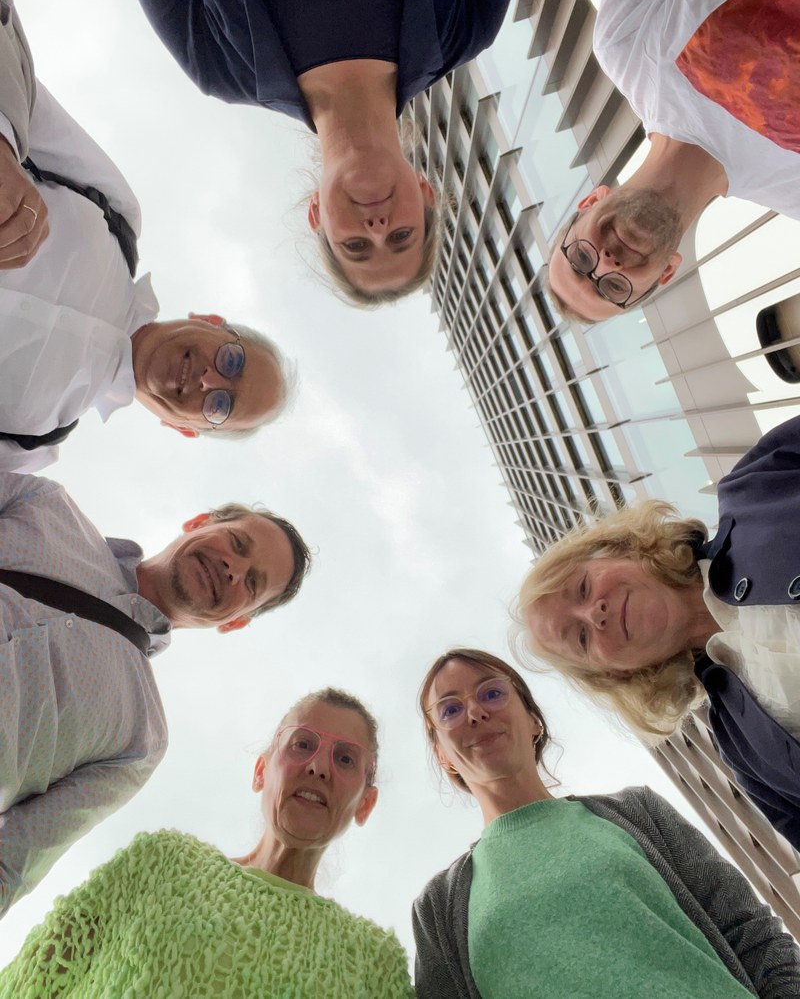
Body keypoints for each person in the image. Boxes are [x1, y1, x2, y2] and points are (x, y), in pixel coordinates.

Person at [111, 0, 525, 305]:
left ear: (316, 215)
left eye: (356, 246)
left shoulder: (217, 66)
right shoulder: (469, 25)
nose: (377, 228)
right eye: (401, 236)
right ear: (426, 194)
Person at [0, 0, 293, 473]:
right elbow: (14, 61)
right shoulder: (117, 214)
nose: (208, 381)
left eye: (220, 405)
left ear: (185, 429)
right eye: (232, 362)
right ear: (212, 320)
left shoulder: (30, 446)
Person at [0, 470, 310, 914]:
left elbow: (13, 862)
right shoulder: (44, 503)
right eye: (237, 544)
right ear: (200, 522)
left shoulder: (141, 740)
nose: (233, 568)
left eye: (252, 583)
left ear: (236, 622)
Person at [412, 647, 800, 999]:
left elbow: (752, 934)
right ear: (442, 754)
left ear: (533, 721)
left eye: (492, 693)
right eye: (450, 710)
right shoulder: (438, 908)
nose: (476, 713)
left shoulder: (638, 811)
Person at [0, 688, 414, 998]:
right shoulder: (162, 863)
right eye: (302, 744)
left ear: (366, 803)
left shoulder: (374, 962)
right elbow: (35, 979)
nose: (319, 766)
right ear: (261, 772)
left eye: (345, 759)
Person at [520, 412, 800, 850]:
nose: (595, 614)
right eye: (581, 638)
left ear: (617, 550)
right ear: (616, 673)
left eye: (583, 587)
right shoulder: (743, 750)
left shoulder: (756, 488)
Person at [547, 0, 800, 322]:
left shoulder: (624, 45)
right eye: (613, 288)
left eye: (581, 259)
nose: (606, 264)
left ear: (589, 202)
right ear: (666, 273)